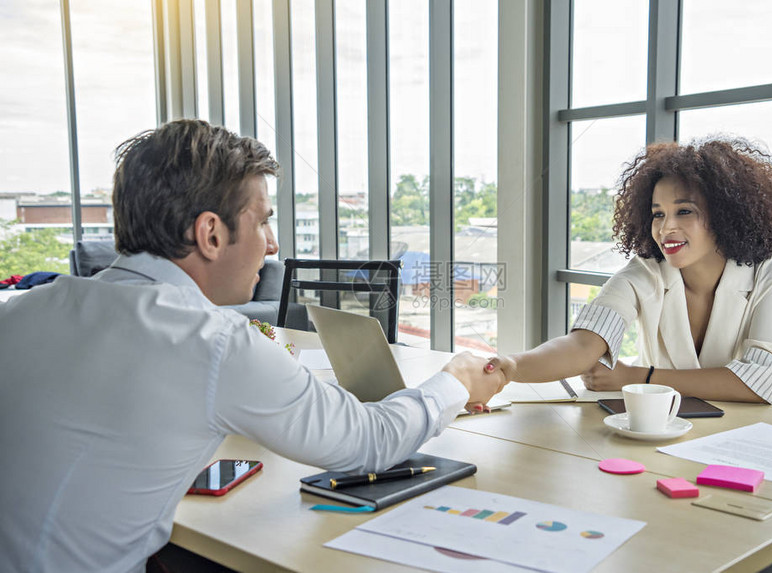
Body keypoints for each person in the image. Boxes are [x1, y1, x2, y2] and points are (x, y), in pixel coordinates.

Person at [0, 119, 505, 572]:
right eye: (263, 220)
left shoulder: (21, 310)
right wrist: (454, 381)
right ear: (211, 234)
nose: (272, 244)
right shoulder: (211, 343)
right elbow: (367, 444)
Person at [488, 137, 772, 404]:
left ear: (725, 214)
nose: (667, 228)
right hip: (660, 429)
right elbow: (583, 345)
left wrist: (637, 377)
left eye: (684, 211)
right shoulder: (647, 270)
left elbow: (760, 383)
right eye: (658, 214)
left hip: (742, 438)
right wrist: (510, 366)